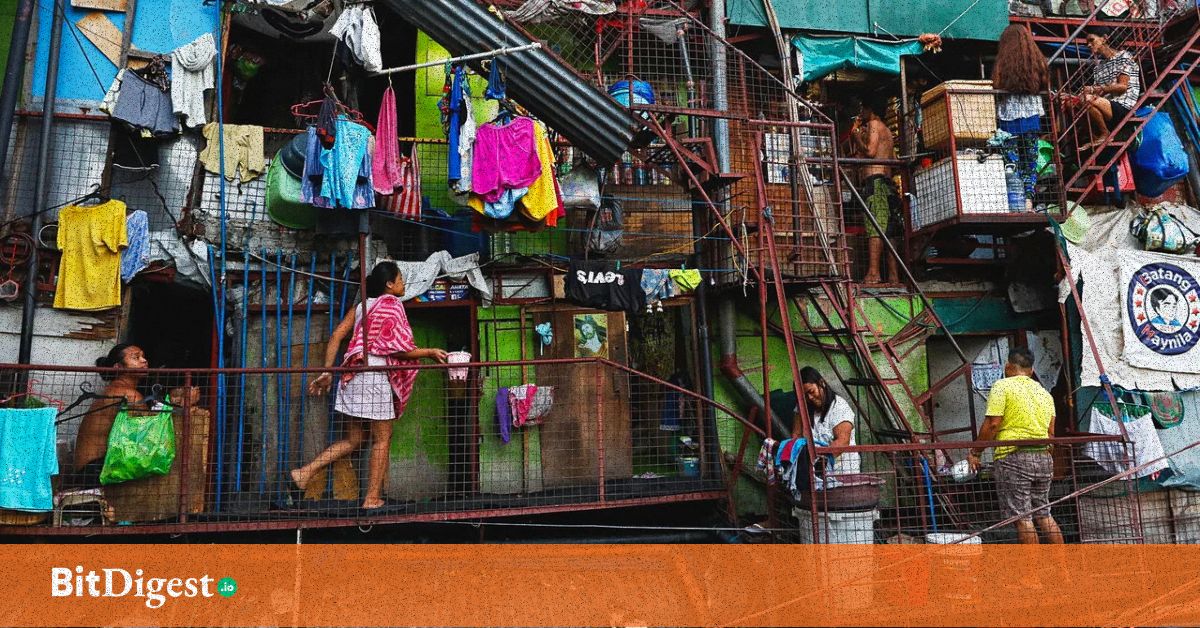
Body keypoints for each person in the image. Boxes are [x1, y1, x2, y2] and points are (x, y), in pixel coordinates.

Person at [292, 261, 448, 509]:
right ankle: (372, 497)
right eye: (400, 279)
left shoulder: (361, 307)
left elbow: (336, 336)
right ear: (389, 284)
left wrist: (327, 371)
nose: (403, 284)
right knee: (382, 439)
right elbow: (398, 350)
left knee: (354, 439)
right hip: (374, 379)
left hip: (352, 377)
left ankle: (304, 472)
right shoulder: (392, 305)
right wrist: (429, 352)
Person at [968, 347, 1063, 544]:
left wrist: (976, 452)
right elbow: (1051, 433)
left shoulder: (1002, 386)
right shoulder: (1044, 393)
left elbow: (993, 424)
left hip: (1014, 458)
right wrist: (1044, 456)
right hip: (1043, 458)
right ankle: (1063, 563)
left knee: (1023, 518)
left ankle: (1031, 566)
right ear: (1031, 370)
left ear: (1008, 367)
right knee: (1044, 514)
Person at [70, 343, 199, 488]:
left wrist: (173, 401)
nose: (144, 360)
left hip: (91, 468)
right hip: (96, 470)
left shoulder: (116, 389)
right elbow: (153, 432)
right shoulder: (128, 394)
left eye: (143, 356)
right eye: (136, 357)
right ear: (118, 367)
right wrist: (183, 404)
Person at [993, 24, 1049, 207]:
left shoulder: (1003, 63)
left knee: (1011, 163)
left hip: (1008, 119)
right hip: (1031, 117)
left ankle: (1014, 201)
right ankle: (1028, 199)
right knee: (1030, 162)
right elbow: (1044, 83)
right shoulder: (1037, 61)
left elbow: (997, 85)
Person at [849, 100, 899, 285]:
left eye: (863, 108)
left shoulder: (874, 125)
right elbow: (893, 159)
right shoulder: (887, 131)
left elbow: (870, 151)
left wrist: (855, 136)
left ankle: (873, 273)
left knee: (875, 228)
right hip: (886, 183)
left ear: (870, 109)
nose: (861, 112)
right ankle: (893, 275)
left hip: (875, 183)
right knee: (889, 230)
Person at [792, 366, 859, 477]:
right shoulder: (802, 407)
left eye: (811, 391)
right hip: (816, 475)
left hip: (842, 474)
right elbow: (796, 435)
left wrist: (820, 461)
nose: (810, 398)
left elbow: (842, 441)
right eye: (804, 396)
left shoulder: (839, 407)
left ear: (821, 383)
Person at [1081, 25, 1141, 147]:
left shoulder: (1124, 57)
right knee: (1072, 102)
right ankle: (1095, 137)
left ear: (1104, 38)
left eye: (1092, 40)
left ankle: (1105, 133)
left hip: (1123, 106)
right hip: (1106, 106)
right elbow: (1097, 92)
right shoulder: (1099, 67)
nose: (1089, 45)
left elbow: (1122, 87)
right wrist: (1087, 92)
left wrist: (1095, 89)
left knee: (1087, 99)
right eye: (1087, 43)